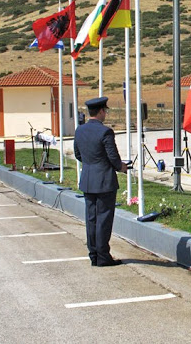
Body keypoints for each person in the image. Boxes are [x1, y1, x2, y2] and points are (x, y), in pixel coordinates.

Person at [74, 97, 129, 267]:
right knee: (104, 219)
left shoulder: (79, 130)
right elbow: (113, 157)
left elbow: (78, 154)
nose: (105, 113)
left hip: (88, 179)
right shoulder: (105, 132)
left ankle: (94, 255)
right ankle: (104, 256)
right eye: (105, 111)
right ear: (101, 112)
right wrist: (122, 167)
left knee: (91, 219)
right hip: (104, 181)